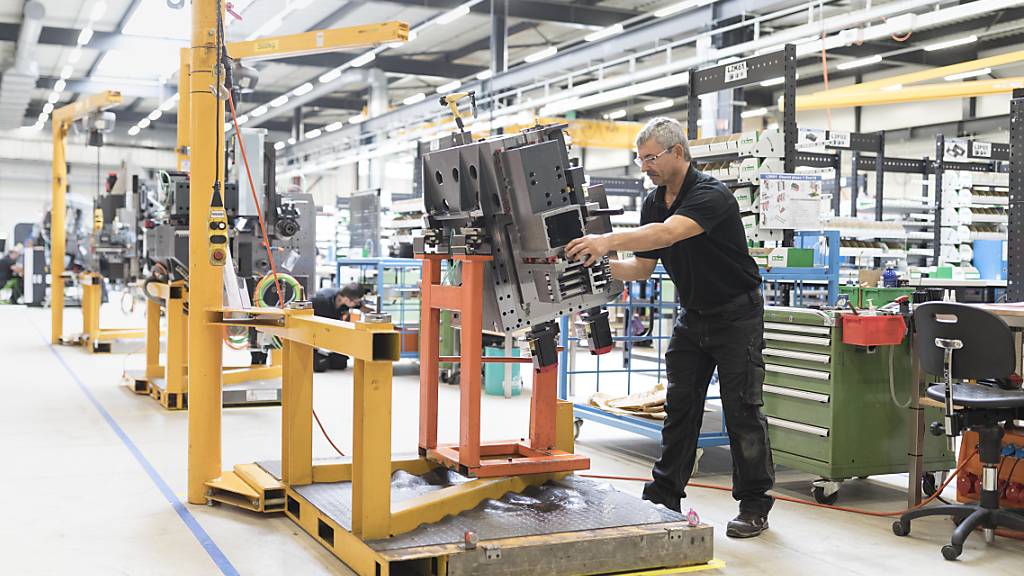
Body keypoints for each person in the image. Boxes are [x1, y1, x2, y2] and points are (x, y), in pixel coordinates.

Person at [565, 117, 774, 538]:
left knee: (742, 412)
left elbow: (668, 234)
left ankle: (754, 503)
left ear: (678, 152)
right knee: (680, 409)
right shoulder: (653, 201)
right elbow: (641, 268)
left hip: (737, 317)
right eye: (640, 160)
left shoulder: (711, 196)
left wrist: (605, 241)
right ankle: (664, 496)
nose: (645, 167)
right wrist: (597, 266)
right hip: (693, 317)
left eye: (651, 158)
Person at [310, 282, 365, 372]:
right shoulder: (320, 300)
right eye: (356, 302)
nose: (357, 304)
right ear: (347, 300)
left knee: (341, 363)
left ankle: (325, 356)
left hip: (329, 337)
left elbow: (363, 308)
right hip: (314, 337)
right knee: (320, 365)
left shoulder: (345, 302)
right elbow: (307, 321)